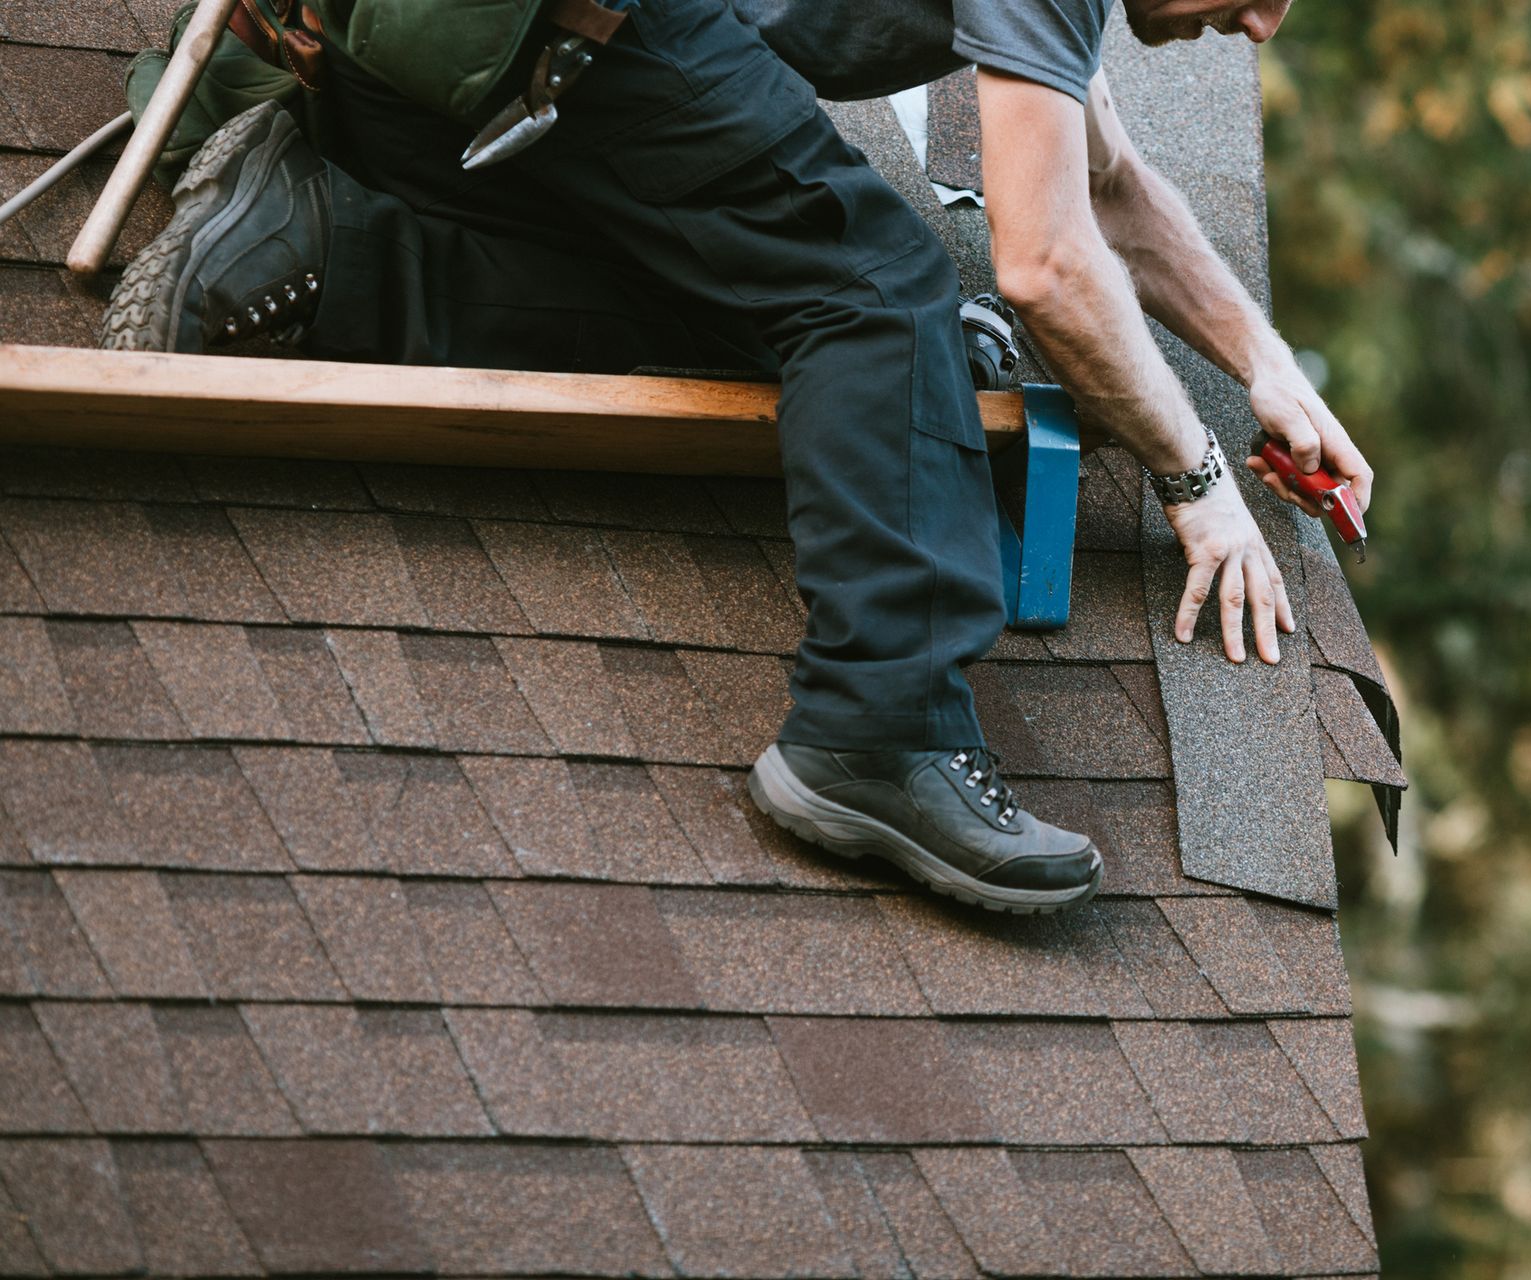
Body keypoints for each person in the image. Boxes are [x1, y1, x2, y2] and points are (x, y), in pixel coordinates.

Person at [101, 0, 1372, 914]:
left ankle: (327, 255)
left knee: (765, 316)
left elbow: (1106, 178)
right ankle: (880, 731)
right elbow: (1041, 263)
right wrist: (1198, 483)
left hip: (425, 70)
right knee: (875, 298)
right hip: (575, 30)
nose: (1263, 25)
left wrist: (1264, 362)